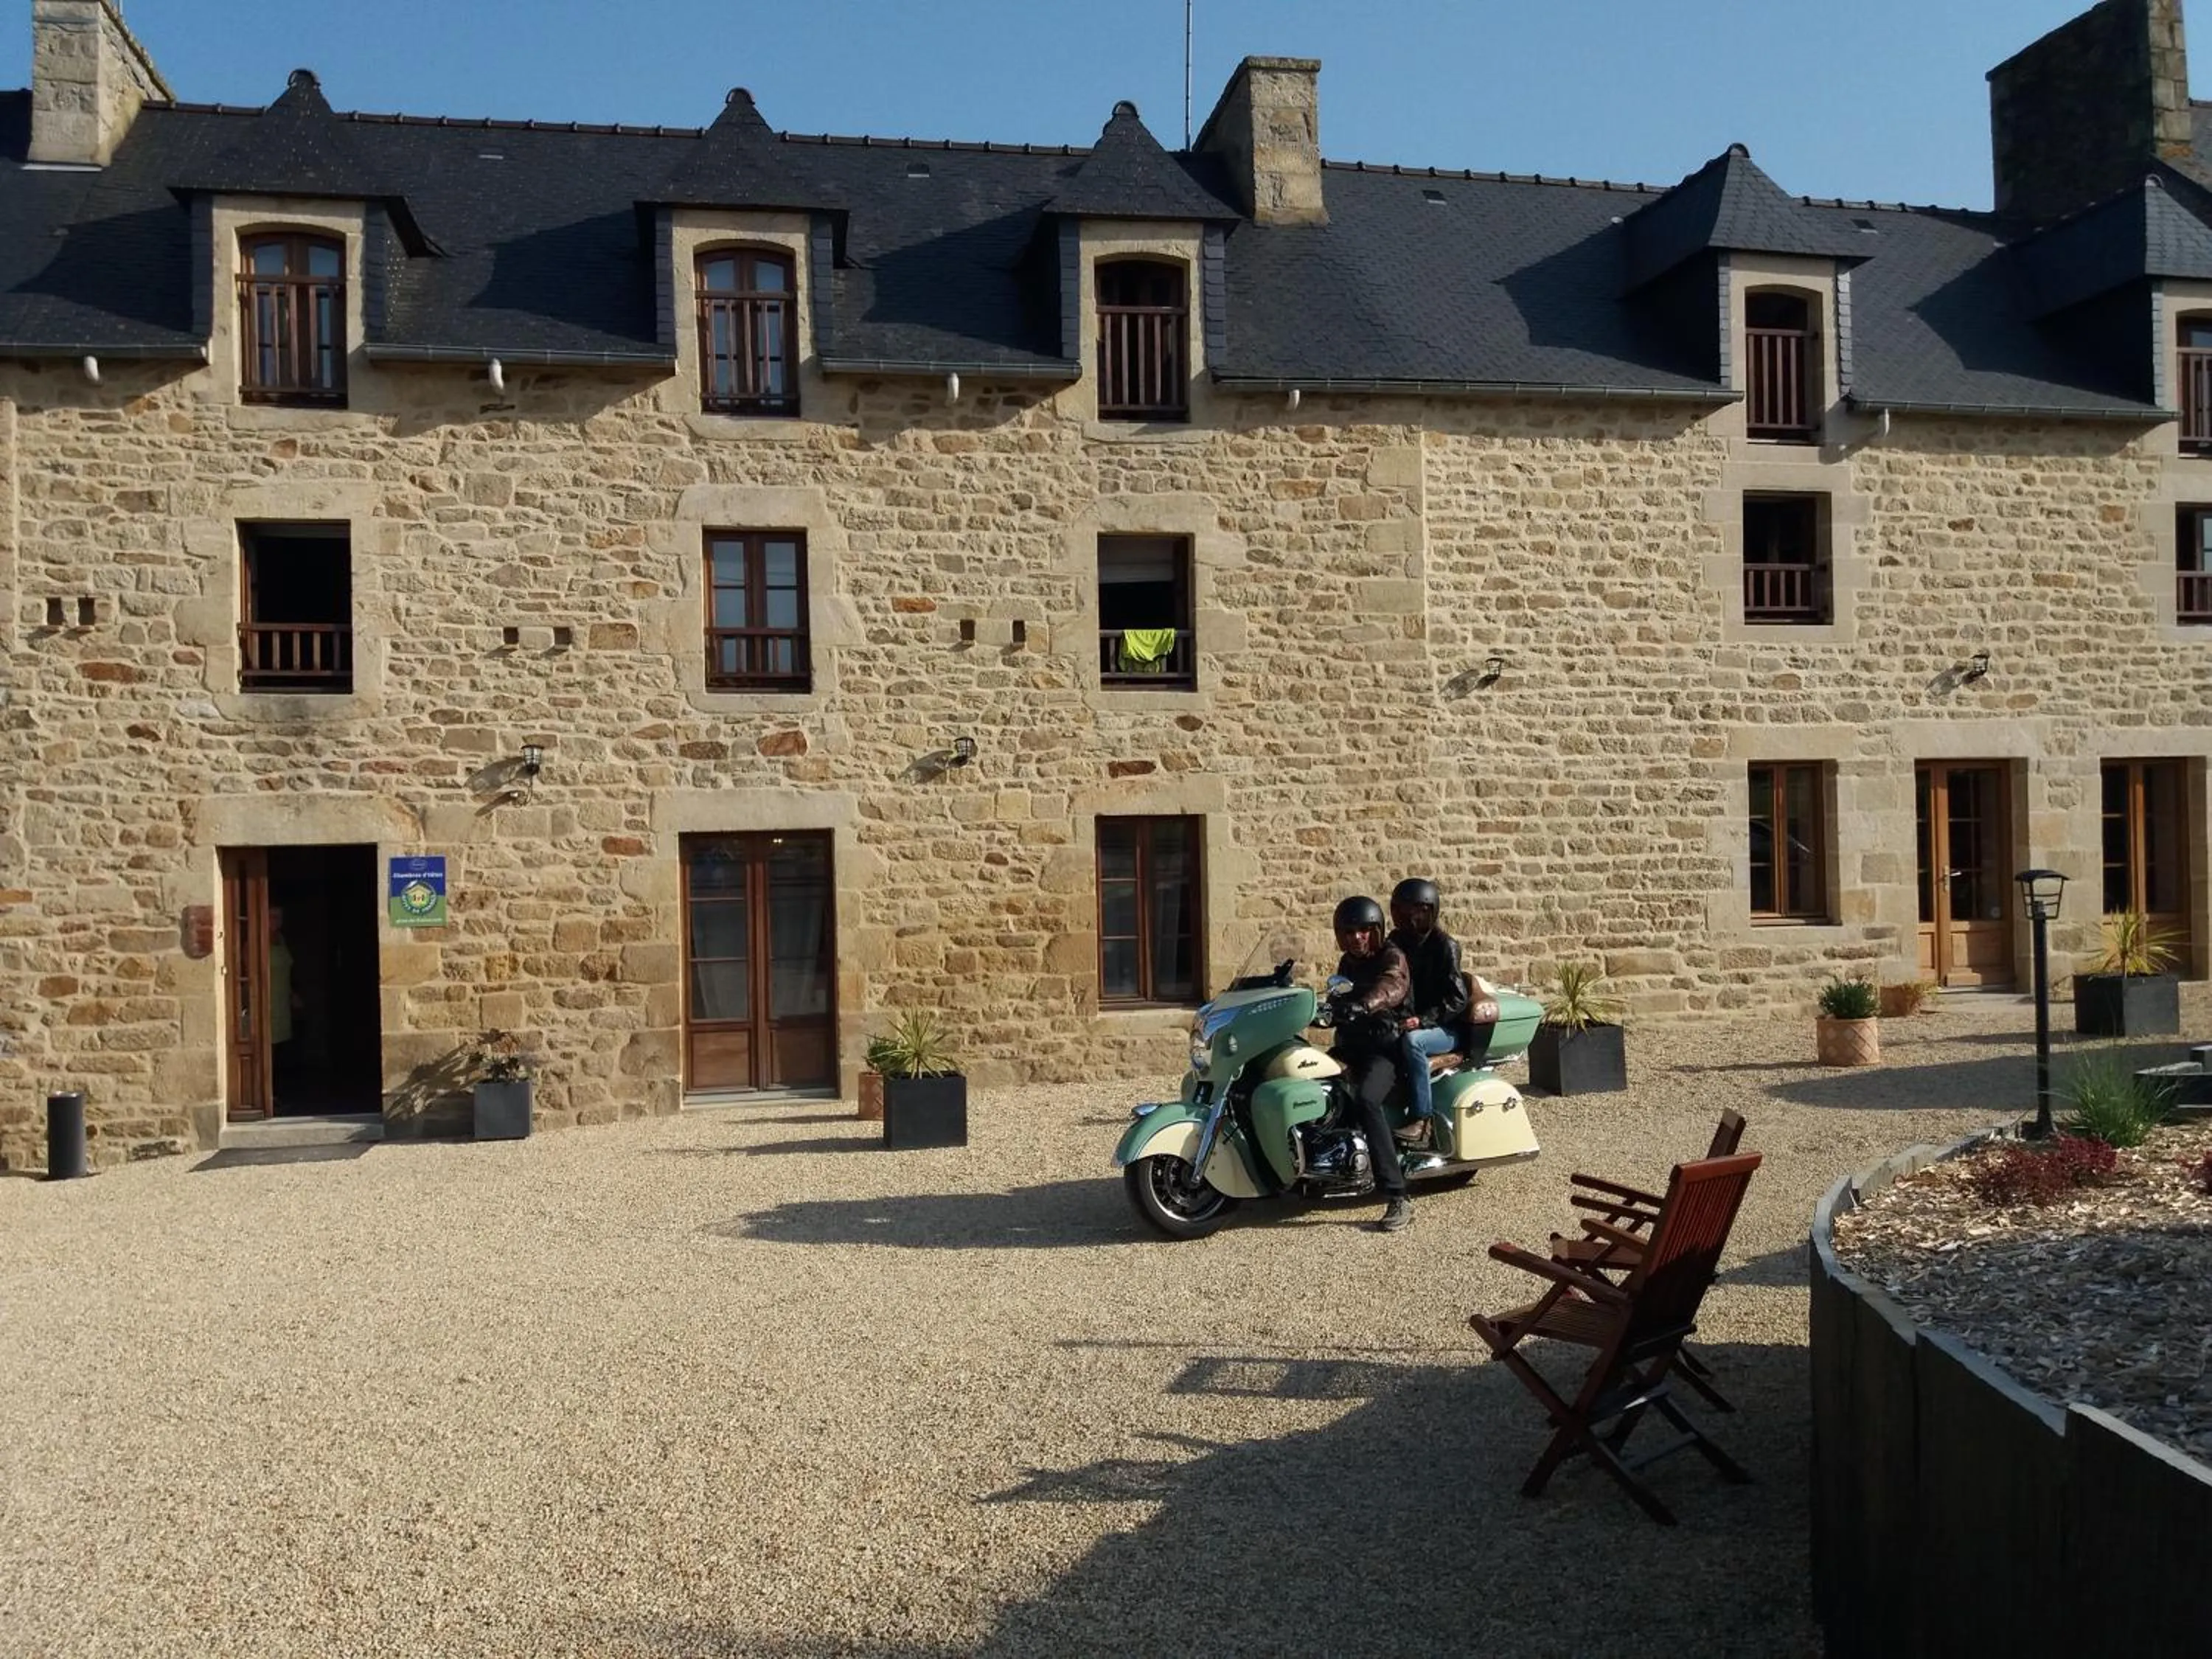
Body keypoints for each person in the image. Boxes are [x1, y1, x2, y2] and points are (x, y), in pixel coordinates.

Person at [1327, 894, 1416, 1234]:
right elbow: (1336, 998)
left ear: (1376, 931)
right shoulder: (1346, 964)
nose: (1357, 937)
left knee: (1366, 1098)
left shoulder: (1392, 956)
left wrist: (1364, 1006)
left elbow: (1392, 986)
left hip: (1386, 1048)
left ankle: (1397, 1195)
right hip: (1352, 1046)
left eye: (1364, 930)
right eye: (1349, 932)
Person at [1388, 877, 1470, 1147]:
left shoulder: (1445, 946)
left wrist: (1423, 1020)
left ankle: (1423, 1121)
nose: (1411, 917)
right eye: (1405, 911)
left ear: (1430, 911)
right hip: (1411, 1020)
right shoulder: (1397, 941)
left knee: (1414, 1042)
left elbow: (1458, 998)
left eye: (1418, 911)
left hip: (1446, 1028)